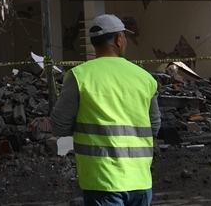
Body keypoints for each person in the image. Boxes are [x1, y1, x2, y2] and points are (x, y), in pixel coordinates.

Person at [50, 14, 161, 206]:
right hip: (140, 180)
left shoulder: (79, 76)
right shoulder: (145, 78)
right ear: (119, 39)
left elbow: (59, 126)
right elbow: (154, 126)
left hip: (101, 181)